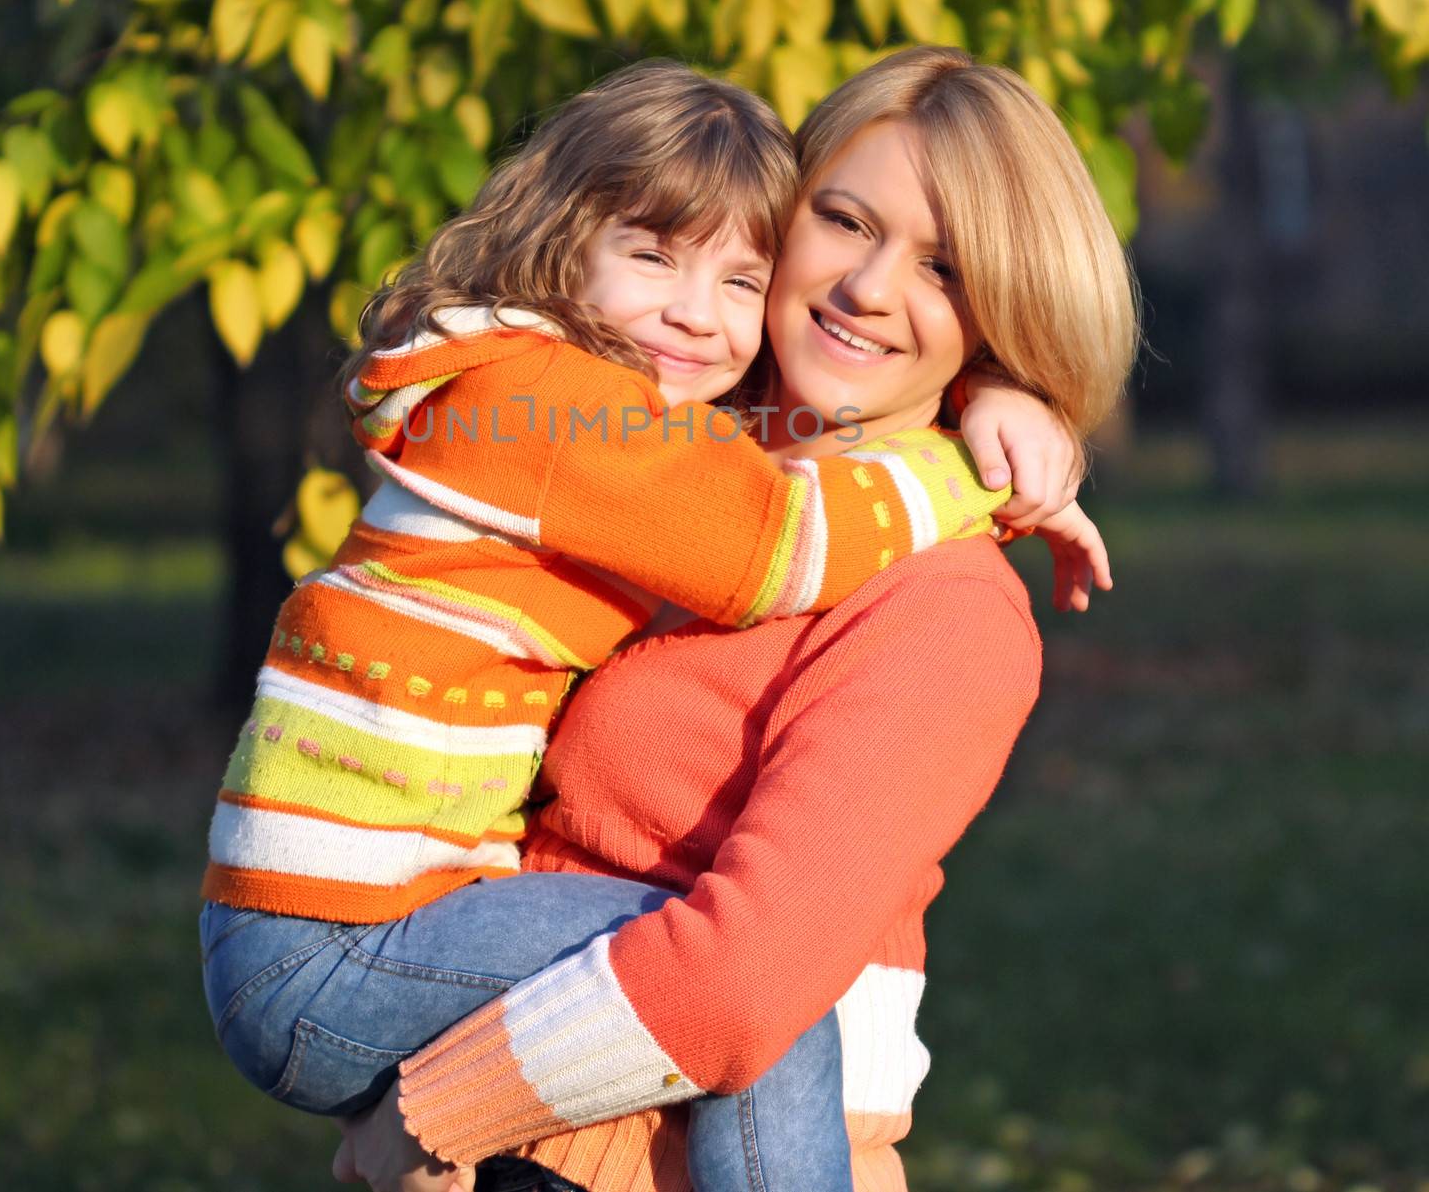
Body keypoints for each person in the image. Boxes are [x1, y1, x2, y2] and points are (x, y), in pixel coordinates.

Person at [199, 61, 1101, 1192]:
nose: (869, 286)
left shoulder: (943, 607)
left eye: (944, 270)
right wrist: (974, 429)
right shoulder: (673, 463)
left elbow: (739, 988)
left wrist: (429, 1120)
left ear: (1002, 310)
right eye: (844, 220)